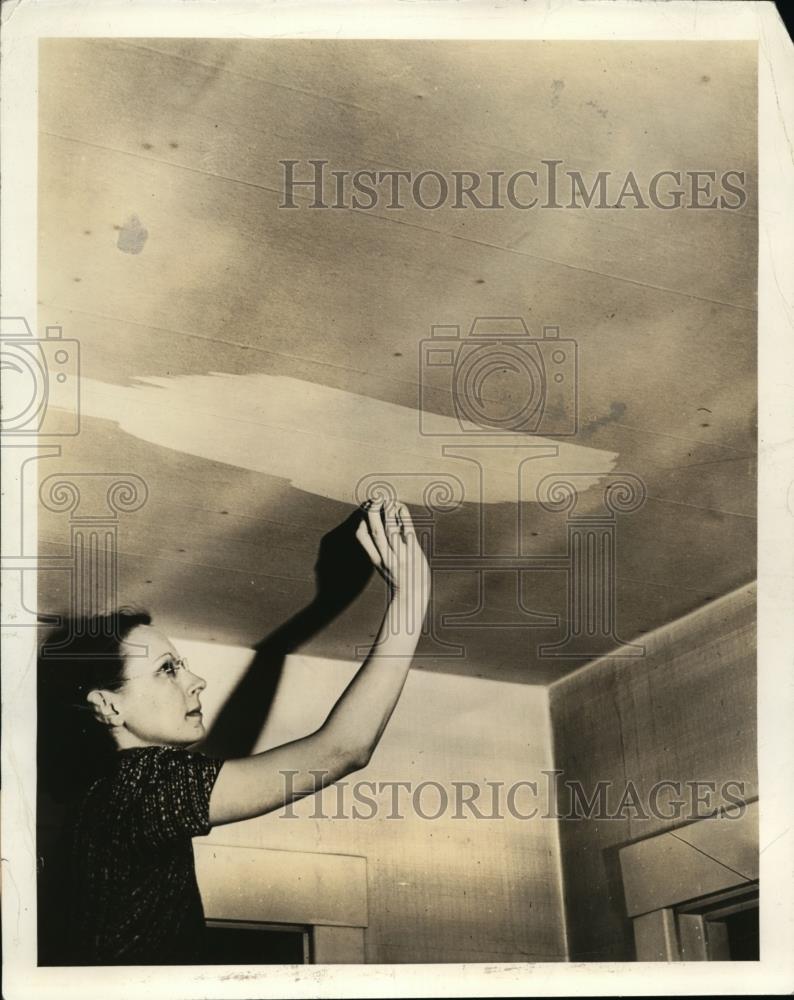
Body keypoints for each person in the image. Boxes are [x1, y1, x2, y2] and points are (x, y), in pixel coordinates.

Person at [37, 499, 429, 965]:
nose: (195, 680)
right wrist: (413, 596)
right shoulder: (143, 786)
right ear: (106, 705)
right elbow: (344, 749)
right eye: (167, 670)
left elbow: (237, 755)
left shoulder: (105, 799)